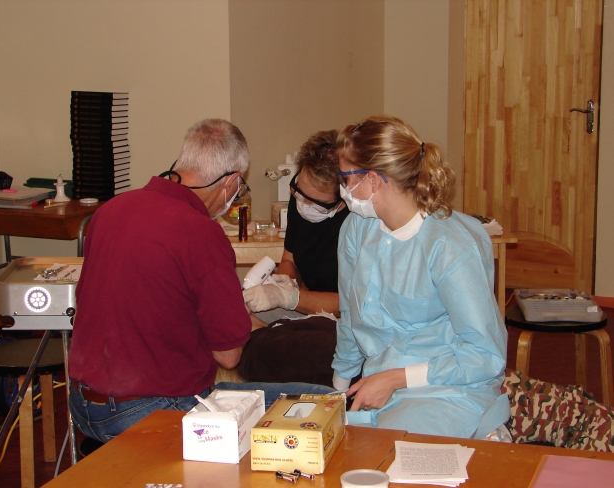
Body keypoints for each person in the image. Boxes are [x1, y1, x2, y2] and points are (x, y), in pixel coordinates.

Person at [68, 119, 332, 443]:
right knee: (322, 401)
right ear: (231, 182)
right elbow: (229, 356)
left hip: (82, 406)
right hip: (151, 409)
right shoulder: (201, 233)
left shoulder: (111, 211)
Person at [332, 115, 510, 439]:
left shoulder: (449, 245)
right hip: (381, 387)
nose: (341, 188)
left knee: (387, 453)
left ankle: (487, 434)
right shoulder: (357, 229)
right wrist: (337, 388)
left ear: (372, 180)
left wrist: (395, 379)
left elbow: (485, 355)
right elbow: (350, 316)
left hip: (449, 388)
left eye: (345, 178)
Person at [237, 130, 350, 386]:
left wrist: (290, 298)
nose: (303, 204)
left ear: (342, 200)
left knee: (307, 350)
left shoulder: (357, 224)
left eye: (315, 202)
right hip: (304, 304)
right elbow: (289, 259)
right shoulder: (300, 198)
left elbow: (352, 304)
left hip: (342, 318)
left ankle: (265, 335)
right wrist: (283, 282)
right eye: (298, 191)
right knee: (229, 317)